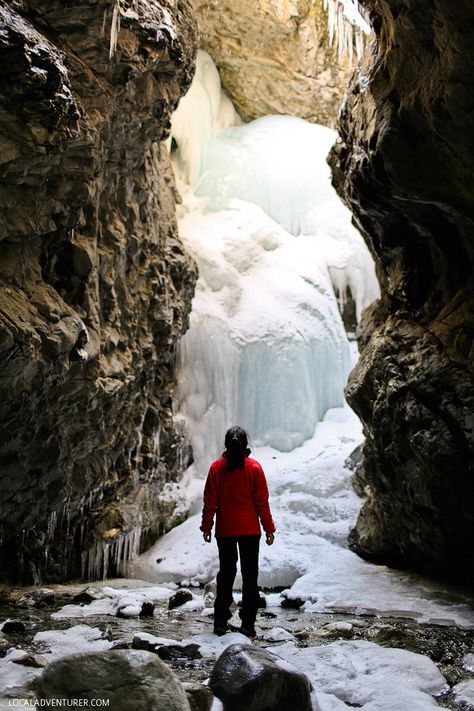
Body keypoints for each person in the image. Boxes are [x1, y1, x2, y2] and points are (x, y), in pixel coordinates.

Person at [200, 426, 276, 638]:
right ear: (246, 446)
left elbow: (210, 503)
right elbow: (262, 502)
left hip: (225, 530)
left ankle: (220, 622)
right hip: (250, 530)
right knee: (250, 576)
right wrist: (269, 528)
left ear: (226, 445)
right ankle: (248, 624)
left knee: (226, 574)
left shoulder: (217, 468)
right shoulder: (254, 468)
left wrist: (206, 527)